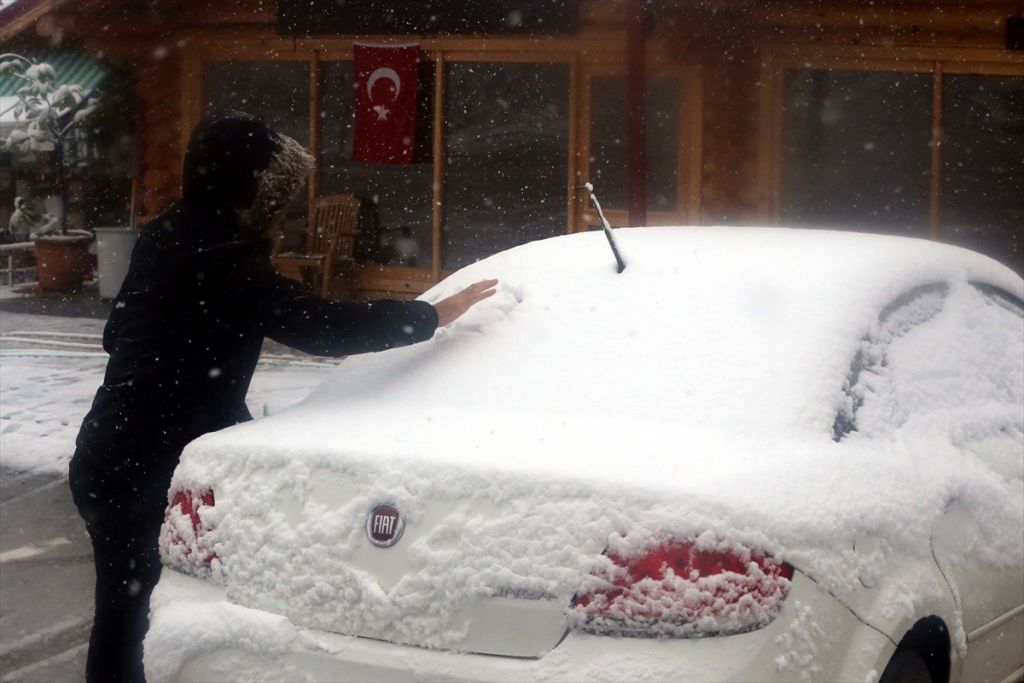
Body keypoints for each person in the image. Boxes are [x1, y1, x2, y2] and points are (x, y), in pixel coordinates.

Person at [68, 114, 497, 683]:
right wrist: (429, 316)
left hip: (111, 449)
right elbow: (318, 327)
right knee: (139, 616)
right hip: (147, 462)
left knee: (128, 610)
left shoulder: (171, 231)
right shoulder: (222, 254)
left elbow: (116, 333)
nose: (286, 209)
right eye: (279, 195)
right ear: (250, 186)